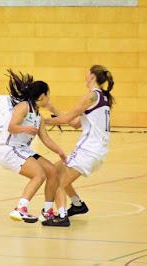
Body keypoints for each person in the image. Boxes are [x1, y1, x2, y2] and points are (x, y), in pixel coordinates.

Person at [42, 65, 114, 227]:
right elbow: (74, 123)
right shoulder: (102, 97)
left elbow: (66, 120)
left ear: (93, 76)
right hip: (96, 151)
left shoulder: (90, 96)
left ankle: (61, 216)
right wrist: (52, 108)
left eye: (87, 72)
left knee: (59, 182)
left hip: (88, 150)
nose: (85, 75)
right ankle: (77, 204)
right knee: (56, 170)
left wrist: (42, 121)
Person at [0, 69, 67, 223]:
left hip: (23, 149)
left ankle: (47, 211)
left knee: (53, 171)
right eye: (48, 94)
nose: (49, 97)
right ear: (42, 96)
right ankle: (20, 209)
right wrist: (24, 129)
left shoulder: (38, 115)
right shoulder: (23, 107)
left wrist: (61, 152)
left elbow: (46, 139)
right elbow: (11, 127)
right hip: (9, 149)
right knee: (39, 174)